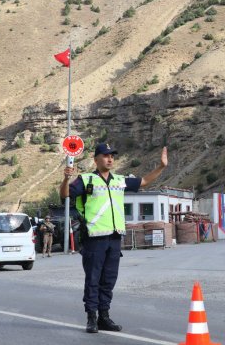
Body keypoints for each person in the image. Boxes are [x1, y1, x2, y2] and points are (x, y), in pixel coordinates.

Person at [60, 143, 167, 334]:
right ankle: (91, 318)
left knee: (109, 280)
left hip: (115, 238)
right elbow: (65, 194)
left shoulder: (119, 180)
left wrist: (161, 167)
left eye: (112, 156)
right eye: (106, 155)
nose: (110, 159)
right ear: (96, 159)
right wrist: (66, 179)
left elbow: (143, 182)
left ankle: (104, 317)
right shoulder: (85, 180)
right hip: (94, 238)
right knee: (93, 279)